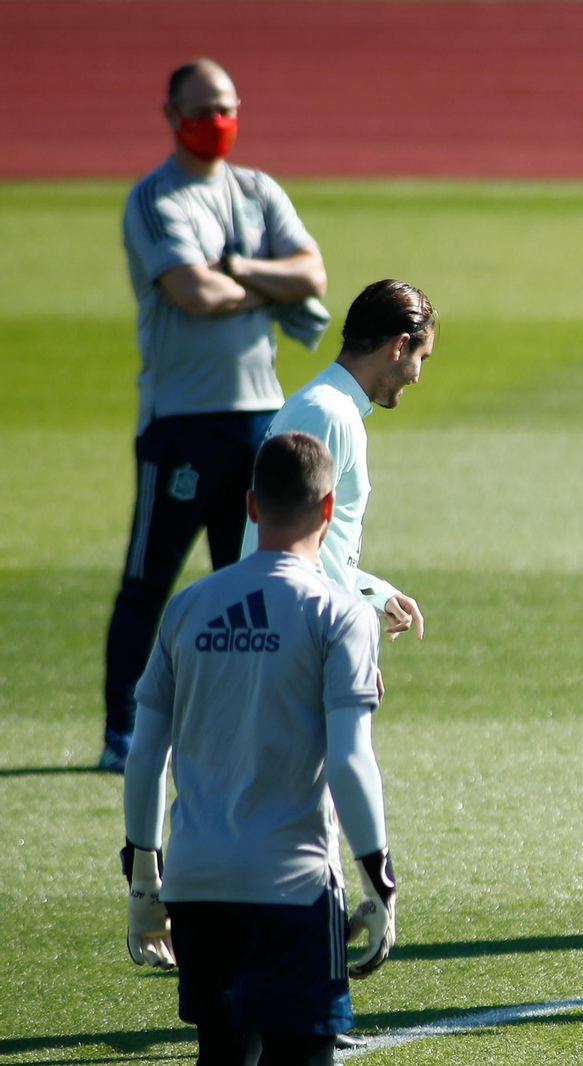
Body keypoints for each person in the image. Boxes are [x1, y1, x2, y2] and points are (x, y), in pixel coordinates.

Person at [120, 432, 397, 1066]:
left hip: (195, 886)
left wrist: (143, 881)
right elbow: (352, 761)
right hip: (293, 888)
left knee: (221, 1054)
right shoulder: (341, 615)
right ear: (329, 510)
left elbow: (145, 756)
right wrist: (378, 880)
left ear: (249, 506)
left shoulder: (187, 608)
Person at [102, 57, 330, 773]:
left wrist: (235, 269)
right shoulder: (155, 198)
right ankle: (123, 732)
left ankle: (248, 724)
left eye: (227, 106)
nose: (217, 121)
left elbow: (313, 273)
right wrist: (264, 281)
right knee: (152, 579)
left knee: (261, 579)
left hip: (261, 418)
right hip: (183, 422)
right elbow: (192, 293)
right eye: (202, 110)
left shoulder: (257, 190)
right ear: (171, 116)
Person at [240, 280, 434, 643]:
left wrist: (375, 593)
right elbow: (288, 549)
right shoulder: (328, 414)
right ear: (400, 345)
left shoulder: (329, 407)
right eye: (420, 358)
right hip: (294, 640)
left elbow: (315, 551)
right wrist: (338, 656)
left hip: (293, 632)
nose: (417, 375)